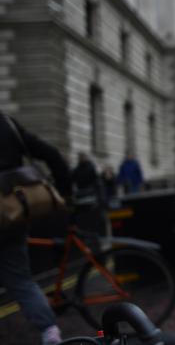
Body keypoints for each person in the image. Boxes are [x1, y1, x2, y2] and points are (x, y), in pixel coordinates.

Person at [0, 111, 72, 345]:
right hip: (12, 212)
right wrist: (66, 192)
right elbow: (51, 154)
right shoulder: (6, 123)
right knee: (20, 280)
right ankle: (49, 331)